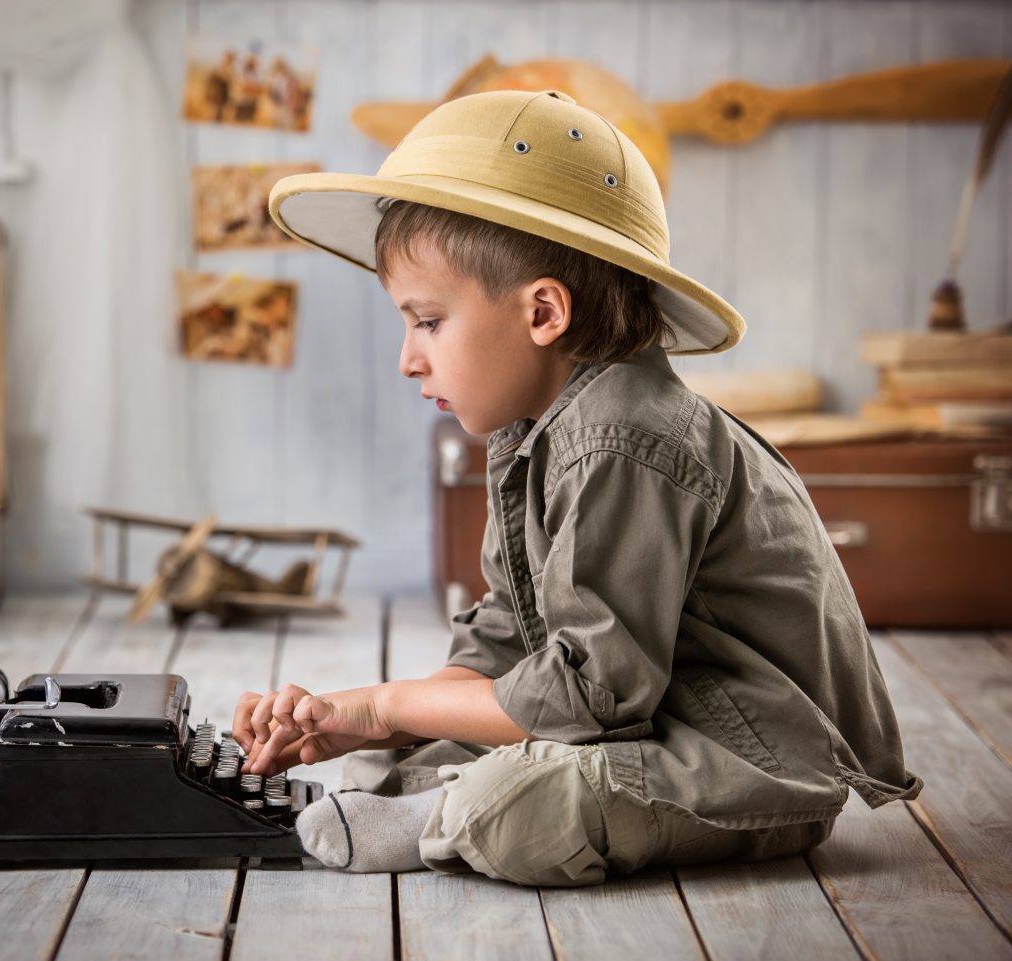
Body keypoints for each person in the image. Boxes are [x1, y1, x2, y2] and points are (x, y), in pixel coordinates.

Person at [231, 90, 922, 886]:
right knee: (405, 753)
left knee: (525, 800)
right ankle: (429, 805)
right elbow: (502, 645)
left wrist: (384, 707)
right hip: (648, 716)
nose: (408, 359)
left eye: (427, 321)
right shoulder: (532, 432)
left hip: (749, 754)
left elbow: (589, 696)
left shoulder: (623, 436)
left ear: (544, 312)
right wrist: (348, 718)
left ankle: (447, 814)